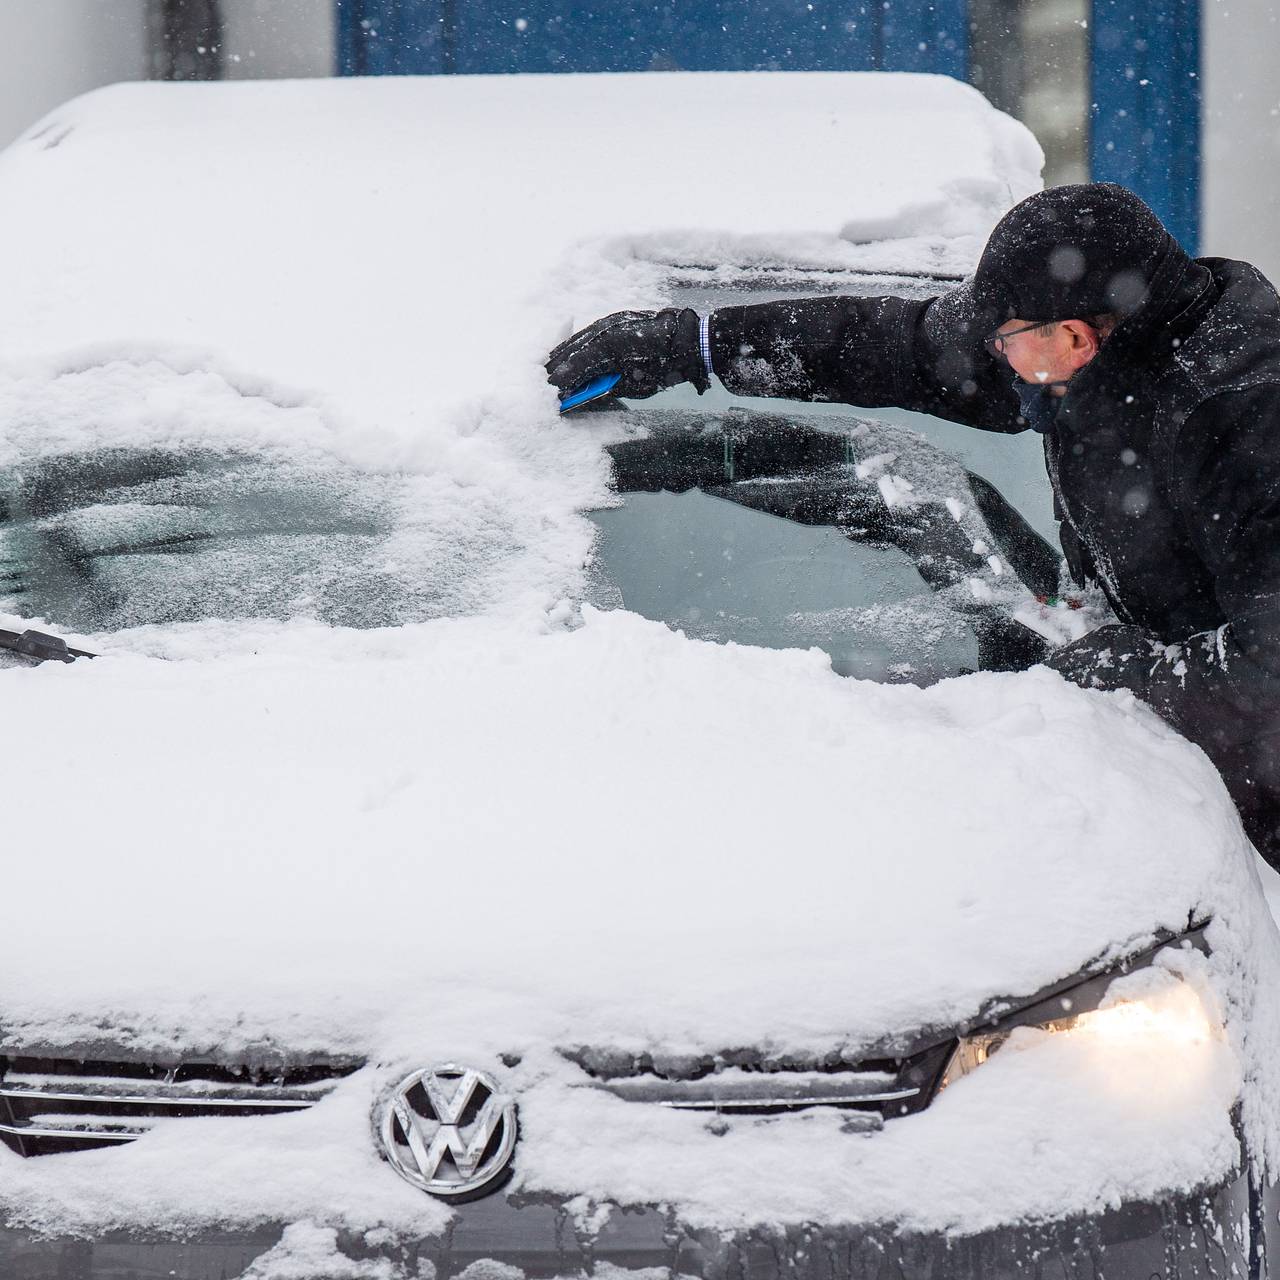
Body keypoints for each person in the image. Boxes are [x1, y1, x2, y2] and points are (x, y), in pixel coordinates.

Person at [547, 182, 1280, 870]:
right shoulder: (1094, 348)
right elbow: (902, 348)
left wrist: (1120, 675)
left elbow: (1269, 675)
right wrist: (698, 345)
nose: (1002, 364)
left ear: (1081, 337)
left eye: (1014, 344)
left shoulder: (1247, 421)